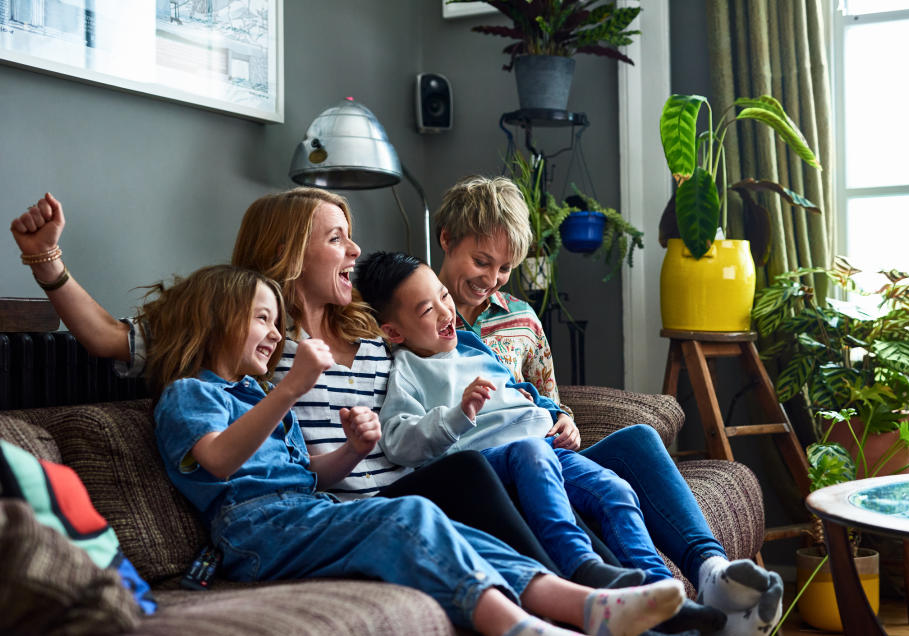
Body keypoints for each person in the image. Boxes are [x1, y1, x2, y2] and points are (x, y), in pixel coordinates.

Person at [9, 190, 558, 574]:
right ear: (292, 250)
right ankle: (568, 589)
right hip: (343, 505)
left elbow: (453, 347)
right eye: (338, 239)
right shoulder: (249, 338)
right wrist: (47, 261)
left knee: (507, 462)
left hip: (411, 476)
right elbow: (109, 339)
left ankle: (576, 583)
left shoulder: (371, 324)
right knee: (471, 473)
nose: (355, 252)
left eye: (351, 238)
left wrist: (543, 404)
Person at [141, 263, 687, 636]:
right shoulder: (190, 394)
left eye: (274, 319)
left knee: (461, 533)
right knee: (412, 515)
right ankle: (517, 626)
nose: (273, 332)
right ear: (215, 319)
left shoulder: (253, 396)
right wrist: (289, 391)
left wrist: (352, 451)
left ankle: (587, 606)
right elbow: (216, 460)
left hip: (305, 511)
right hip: (253, 533)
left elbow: (307, 475)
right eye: (261, 318)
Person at [432, 176, 784, 636]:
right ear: (446, 239)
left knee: (638, 438)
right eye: (481, 261)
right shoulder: (415, 315)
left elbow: (549, 399)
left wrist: (566, 422)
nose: (491, 278)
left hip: (546, 451)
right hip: (493, 466)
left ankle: (711, 571)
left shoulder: (520, 316)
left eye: (504, 268)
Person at [355, 250, 654, 590]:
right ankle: (580, 565)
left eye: (442, 296)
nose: (444, 311)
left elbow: (520, 389)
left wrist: (555, 414)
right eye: (426, 310)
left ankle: (659, 586)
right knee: (532, 452)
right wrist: (458, 415)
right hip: (497, 458)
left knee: (615, 489)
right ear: (394, 333)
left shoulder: (472, 347)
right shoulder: (408, 370)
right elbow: (397, 439)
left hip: (546, 445)